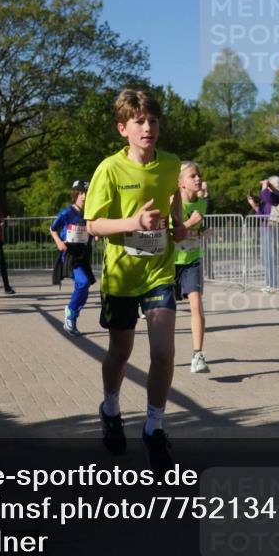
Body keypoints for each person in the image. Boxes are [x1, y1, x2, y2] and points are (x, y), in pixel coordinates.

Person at [84, 89, 194, 472]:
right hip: (121, 275)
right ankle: (111, 408)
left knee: (163, 352)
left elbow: (173, 202)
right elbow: (93, 225)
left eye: (153, 121)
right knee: (121, 352)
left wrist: (178, 227)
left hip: (158, 271)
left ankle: (153, 427)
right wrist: (133, 223)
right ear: (123, 128)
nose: (148, 127)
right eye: (139, 122)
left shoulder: (171, 164)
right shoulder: (109, 169)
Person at [175, 161, 210, 374]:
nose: (198, 179)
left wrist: (203, 231)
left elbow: (196, 229)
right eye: (192, 176)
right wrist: (189, 224)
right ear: (180, 183)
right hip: (170, 262)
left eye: (199, 175)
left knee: (196, 305)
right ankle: (162, 353)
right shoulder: (173, 203)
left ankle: (198, 355)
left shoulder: (202, 203)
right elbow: (170, 236)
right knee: (165, 313)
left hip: (192, 260)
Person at [50, 179, 95, 336]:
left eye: (87, 193)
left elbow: (93, 229)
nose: (84, 196)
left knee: (85, 285)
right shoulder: (66, 213)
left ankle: (72, 316)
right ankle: (70, 312)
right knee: (83, 283)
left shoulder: (90, 213)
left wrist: (96, 235)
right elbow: (53, 229)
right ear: (75, 194)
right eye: (81, 193)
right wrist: (59, 243)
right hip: (70, 254)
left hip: (84, 253)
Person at [246, 175, 279, 291]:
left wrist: (265, 185)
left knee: (271, 257)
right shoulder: (271, 198)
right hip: (265, 228)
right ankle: (271, 284)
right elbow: (262, 215)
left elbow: (265, 195)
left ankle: (274, 285)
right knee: (266, 258)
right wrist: (254, 206)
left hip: (272, 229)